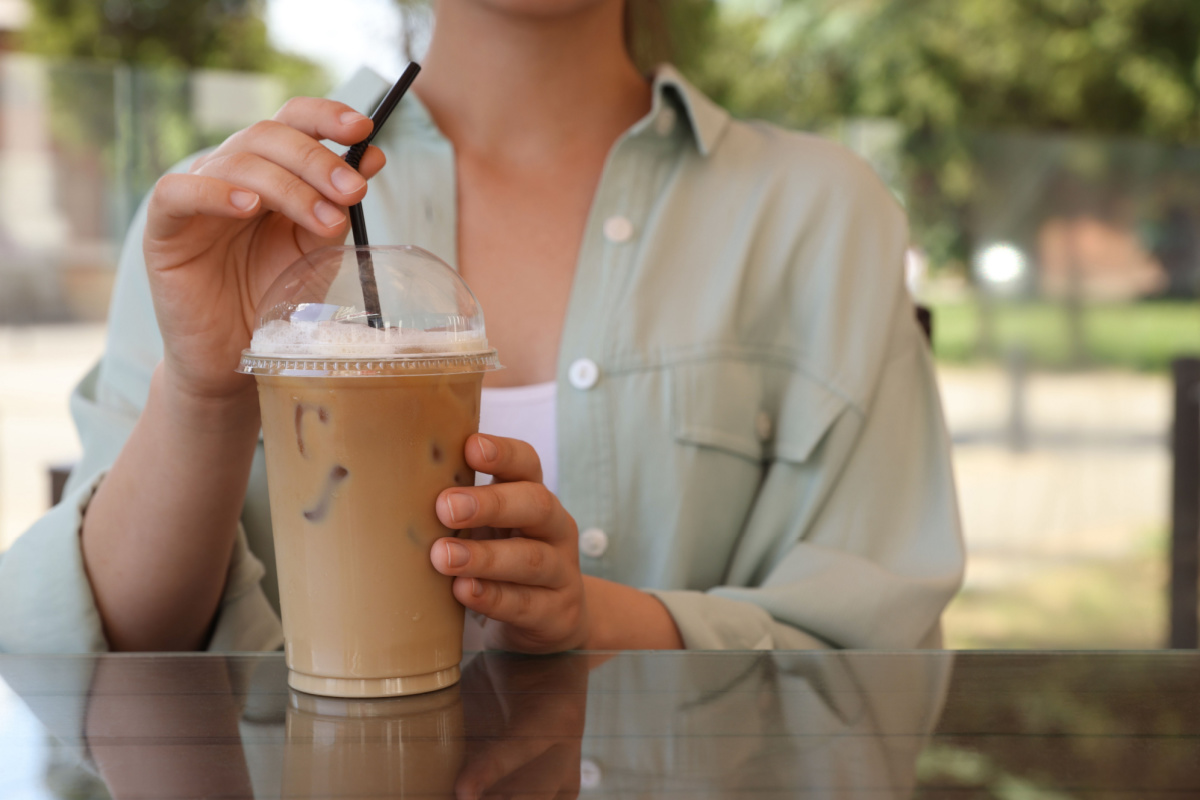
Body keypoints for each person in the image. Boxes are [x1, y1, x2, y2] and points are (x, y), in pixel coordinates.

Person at [0, 0, 964, 655]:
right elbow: (111, 650)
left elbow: (877, 648)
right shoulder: (227, 206)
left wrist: (598, 623)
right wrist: (209, 390)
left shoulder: (828, 216)